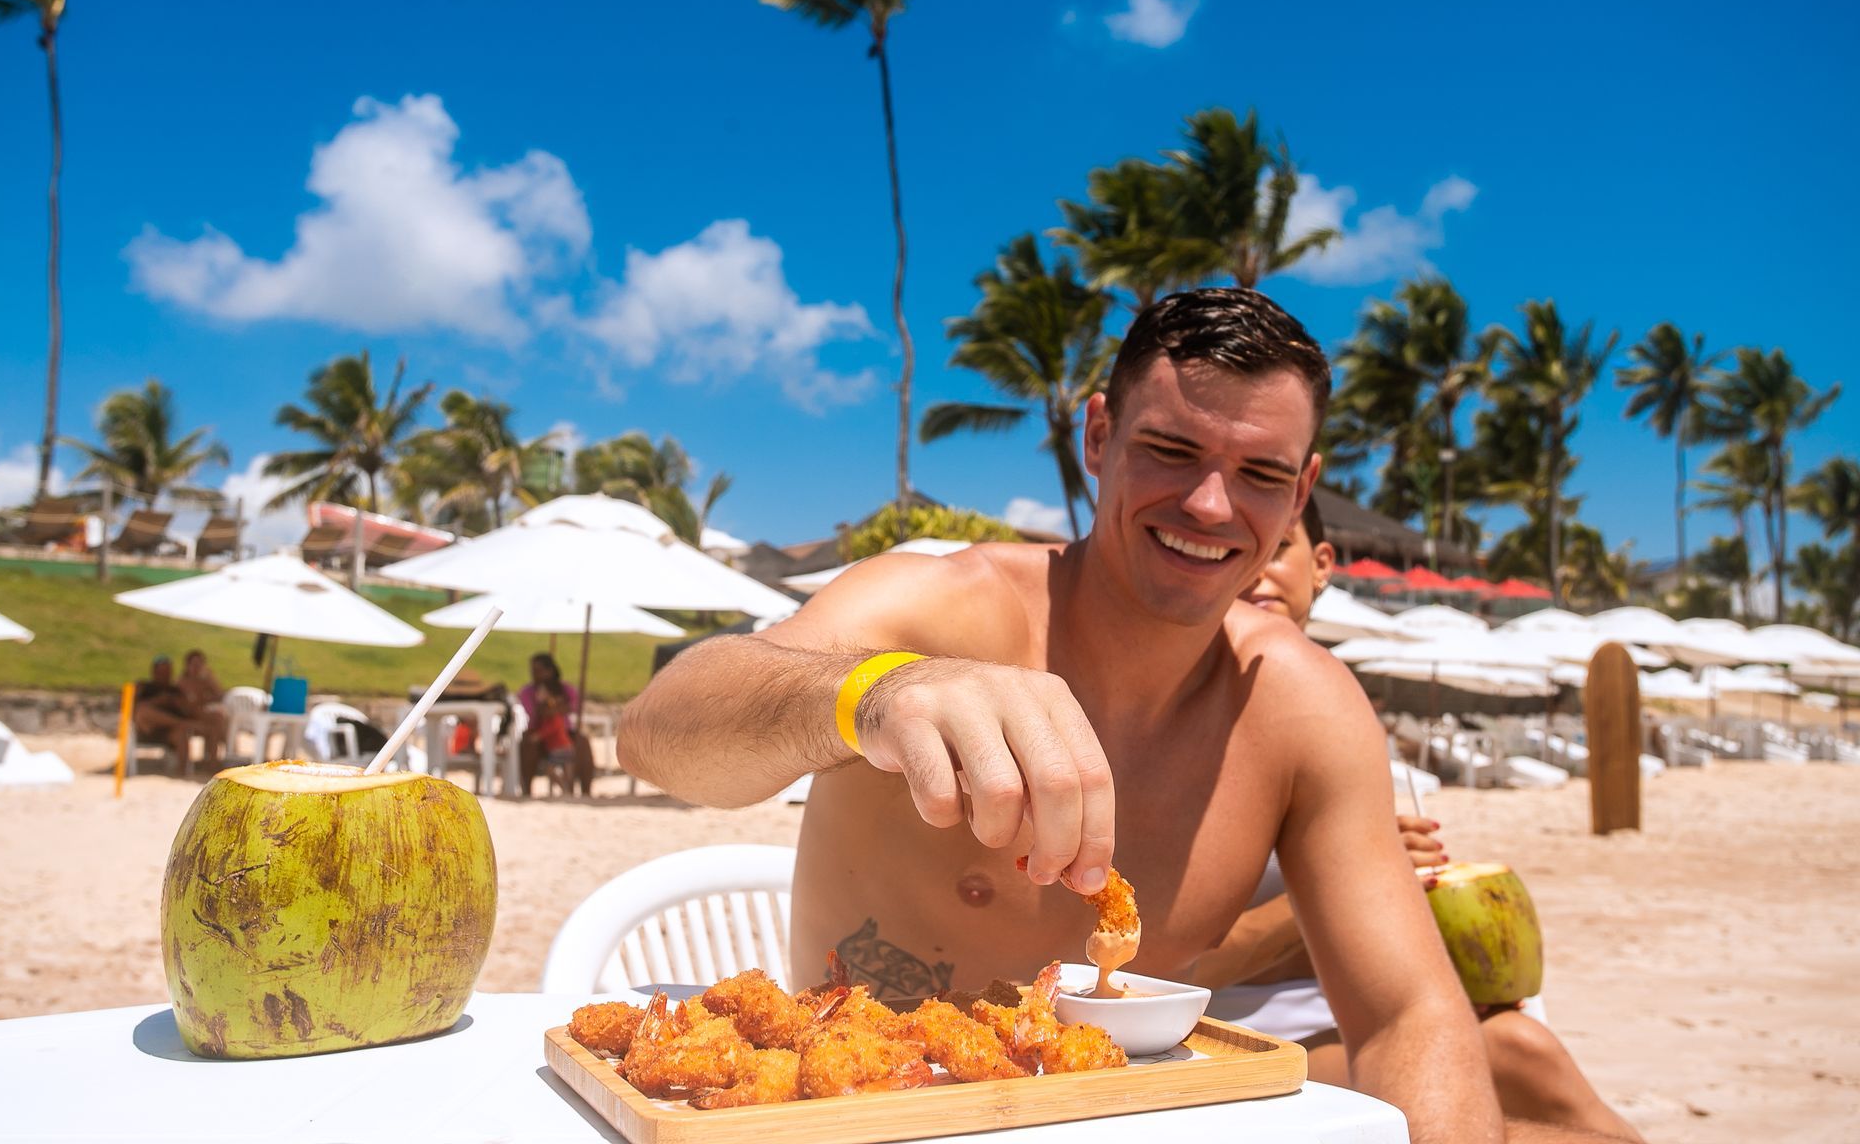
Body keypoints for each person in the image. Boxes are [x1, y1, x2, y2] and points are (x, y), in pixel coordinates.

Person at [621, 287, 1618, 1142]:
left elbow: (1409, 1013)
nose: (1213, 505)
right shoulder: (947, 610)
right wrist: (871, 692)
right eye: (1172, 450)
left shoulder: (1299, 705)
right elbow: (659, 731)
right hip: (873, 1119)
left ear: (1304, 488)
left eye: (1262, 473)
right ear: (1098, 436)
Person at [1195, 498, 1644, 1141]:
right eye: (1240, 552)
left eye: (1280, 548)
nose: (1258, 571)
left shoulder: (1342, 718)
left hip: (1363, 1009)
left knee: (1522, 1043)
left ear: (1322, 566)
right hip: (1243, 1031)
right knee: (1519, 1054)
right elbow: (1173, 970)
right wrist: (1344, 884)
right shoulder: (1194, 736)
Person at [517, 653, 595, 797]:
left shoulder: (565, 690)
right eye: (533, 670)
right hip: (539, 731)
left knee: (583, 742)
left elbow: (568, 711)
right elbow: (536, 715)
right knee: (527, 744)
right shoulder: (528, 692)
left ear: (550, 671)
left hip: (561, 735)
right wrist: (552, 709)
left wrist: (550, 710)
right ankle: (526, 790)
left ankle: (585, 791)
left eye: (538, 670)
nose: (534, 674)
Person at [133, 655, 226, 769]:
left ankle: (186, 769)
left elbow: (189, 709)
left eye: (168, 672)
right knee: (144, 712)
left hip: (170, 732)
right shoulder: (144, 687)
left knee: (184, 730)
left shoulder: (175, 691)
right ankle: (180, 723)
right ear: (154, 672)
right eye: (162, 671)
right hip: (148, 728)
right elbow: (136, 710)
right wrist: (159, 701)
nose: (165, 675)